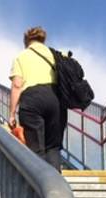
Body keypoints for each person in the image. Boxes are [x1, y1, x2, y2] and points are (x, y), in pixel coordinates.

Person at [8, 26, 67, 171]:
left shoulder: (22, 56)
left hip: (32, 99)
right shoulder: (54, 55)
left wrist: (12, 113)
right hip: (56, 99)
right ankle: (57, 189)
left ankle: (40, 190)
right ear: (42, 40)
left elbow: (17, 85)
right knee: (53, 148)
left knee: (36, 149)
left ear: (26, 41)